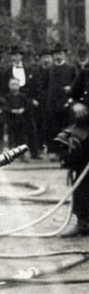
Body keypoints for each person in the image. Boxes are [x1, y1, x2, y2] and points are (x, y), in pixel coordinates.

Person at [54, 60, 89, 236]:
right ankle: (83, 222)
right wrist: (76, 104)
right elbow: (73, 95)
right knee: (81, 176)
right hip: (85, 130)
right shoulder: (85, 72)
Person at [44, 43, 78, 155]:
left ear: (64, 55)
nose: (58, 56)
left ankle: (65, 152)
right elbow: (44, 86)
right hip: (52, 103)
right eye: (56, 54)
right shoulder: (50, 69)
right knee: (53, 127)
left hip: (66, 102)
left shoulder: (71, 68)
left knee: (66, 127)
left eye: (60, 54)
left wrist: (71, 88)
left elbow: (77, 84)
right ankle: (54, 151)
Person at [3, 77, 33, 151]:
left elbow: (28, 106)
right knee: (11, 137)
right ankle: (11, 152)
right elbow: (4, 107)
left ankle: (21, 153)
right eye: (12, 84)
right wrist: (11, 110)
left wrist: (23, 110)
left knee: (21, 137)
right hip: (11, 119)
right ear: (9, 86)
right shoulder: (7, 96)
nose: (14, 86)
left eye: (16, 84)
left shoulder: (23, 96)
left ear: (19, 86)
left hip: (21, 120)